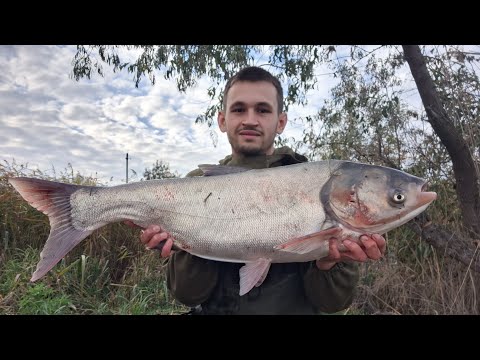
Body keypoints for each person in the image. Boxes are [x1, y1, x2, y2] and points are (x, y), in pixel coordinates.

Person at [127, 66, 386, 315]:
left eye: (263, 110)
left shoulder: (316, 185)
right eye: (239, 109)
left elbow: (333, 305)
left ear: (281, 121)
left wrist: (330, 262)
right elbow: (186, 296)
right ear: (222, 120)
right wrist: (187, 245)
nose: (250, 120)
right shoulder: (196, 185)